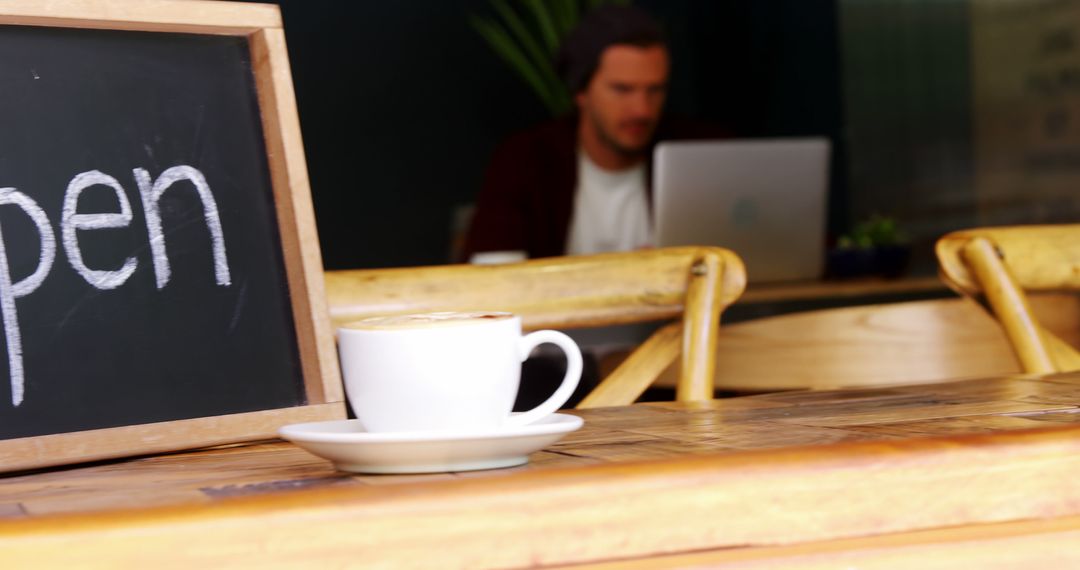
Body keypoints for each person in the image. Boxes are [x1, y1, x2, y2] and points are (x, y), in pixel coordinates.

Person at [463, 5, 724, 262]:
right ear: (581, 91)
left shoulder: (699, 154)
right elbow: (492, 276)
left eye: (654, 90)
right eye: (622, 89)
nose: (641, 110)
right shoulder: (526, 160)